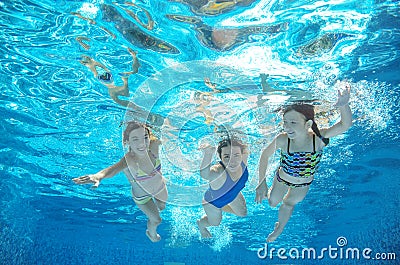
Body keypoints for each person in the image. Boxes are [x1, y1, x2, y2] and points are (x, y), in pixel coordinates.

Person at [255, 81, 352, 242]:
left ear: (308, 124)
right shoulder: (282, 140)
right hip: (282, 178)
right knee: (272, 202)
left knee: (288, 204)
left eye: (293, 122)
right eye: (285, 122)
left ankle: (279, 228)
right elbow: (265, 155)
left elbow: (345, 124)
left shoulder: (319, 139)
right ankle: (269, 189)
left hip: (303, 184)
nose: (287, 127)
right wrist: (261, 182)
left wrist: (343, 105)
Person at [72, 121, 168, 243]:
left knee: (162, 207)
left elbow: (167, 132)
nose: (142, 143)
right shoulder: (129, 160)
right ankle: (151, 234)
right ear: (127, 142)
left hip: (159, 187)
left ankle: (157, 207)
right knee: (156, 220)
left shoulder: (154, 145)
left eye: (145, 137)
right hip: (142, 197)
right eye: (135, 139)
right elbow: (113, 169)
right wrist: (98, 176)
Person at [197, 138, 249, 238]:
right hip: (213, 203)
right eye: (226, 157)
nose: (232, 161)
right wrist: (208, 154)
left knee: (243, 213)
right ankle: (201, 225)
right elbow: (205, 174)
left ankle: (224, 207)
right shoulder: (218, 173)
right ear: (220, 158)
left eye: (236, 155)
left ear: (242, 154)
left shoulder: (244, 159)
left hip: (233, 194)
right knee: (215, 223)